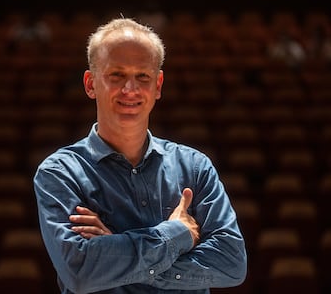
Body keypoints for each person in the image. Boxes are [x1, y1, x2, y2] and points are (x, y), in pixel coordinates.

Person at [33, 18, 247, 294]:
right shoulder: (60, 172)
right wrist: (176, 234)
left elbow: (232, 263)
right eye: (116, 75)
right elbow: (81, 272)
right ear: (90, 83)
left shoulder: (195, 167)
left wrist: (118, 252)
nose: (130, 89)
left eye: (142, 77)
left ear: (158, 85)